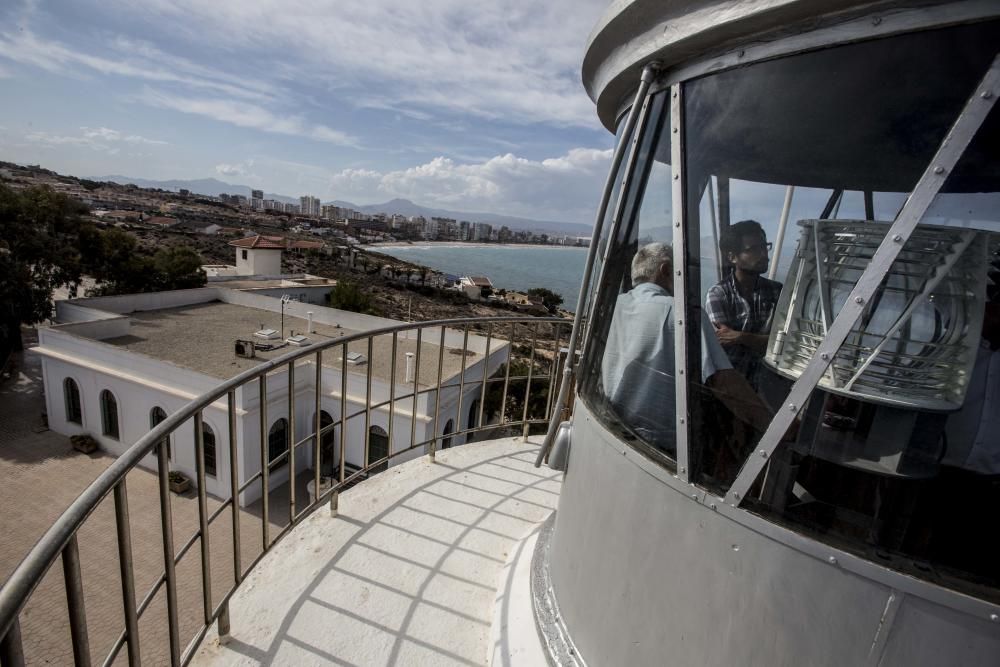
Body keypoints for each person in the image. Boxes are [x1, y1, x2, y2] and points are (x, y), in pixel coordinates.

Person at [602, 242, 774, 454]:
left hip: (614, 425)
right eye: (681, 269)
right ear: (666, 270)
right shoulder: (683, 314)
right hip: (660, 445)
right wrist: (776, 427)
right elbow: (724, 383)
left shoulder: (614, 306)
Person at [705, 220, 783, 387]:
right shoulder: (718, 294)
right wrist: (763, 341)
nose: (763, 254)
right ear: (732, 257)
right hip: (733, 388)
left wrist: (741, 337)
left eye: (764, 246)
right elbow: (722, 349)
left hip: (770, 386)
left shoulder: (777, 292)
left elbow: (785, 344)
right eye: (753, 249)